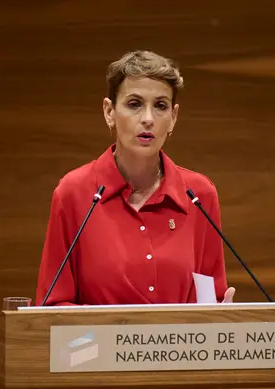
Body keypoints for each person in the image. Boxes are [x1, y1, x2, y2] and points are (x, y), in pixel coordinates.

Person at [34, 50, 236, 306]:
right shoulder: (74, 192)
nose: (148, 119)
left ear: (173, 117)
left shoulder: (198, 195)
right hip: (96, 347)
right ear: (109, 111)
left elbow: (210, 301)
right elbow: (53, 306)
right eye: (134, 104)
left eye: (160, 106)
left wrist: (223, 316)